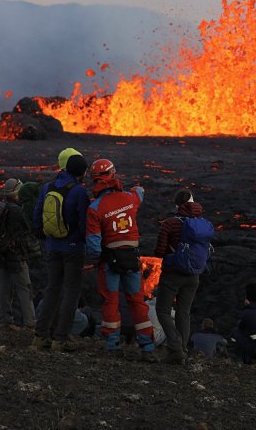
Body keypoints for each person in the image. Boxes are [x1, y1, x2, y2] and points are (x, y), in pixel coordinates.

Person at [84, 158, 156, 361]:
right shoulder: (130, 198)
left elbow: (93, 243)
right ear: (113, 174)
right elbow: (139, 194)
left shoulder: (95, 208)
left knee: (110, 302)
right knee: (137, 302)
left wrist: (98, 259)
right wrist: (138, 188)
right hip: (132, 259)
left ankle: (112, 345)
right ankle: (148, 347)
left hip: (110, 263)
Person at [31, 150, 89, 353]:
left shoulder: (48, 187)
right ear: (82, 173)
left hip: (52, 247)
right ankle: (60, 339)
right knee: (70, 294)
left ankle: (40, 336)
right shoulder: (79, 192)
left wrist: (47, 239)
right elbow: (84, 224)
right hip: (73, 248)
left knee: (52, 290)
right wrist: (84, 243)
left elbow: (37, 216)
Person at [154, 189, 206, 365]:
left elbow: (160, 251)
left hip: (172, 274)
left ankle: (175, 347)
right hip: (194, 275)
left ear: (177, 205)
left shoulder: (169, 224)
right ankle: (182, 349)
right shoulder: (201, 224)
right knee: (184, 312)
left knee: (162, 310)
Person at [0, 178, 37, 329]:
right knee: (24, 287)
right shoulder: (16, 210)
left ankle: (5, 318)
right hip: (15, 255)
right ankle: (30, 322)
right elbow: (29, 226)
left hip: (1, 254)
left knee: (5, 286)